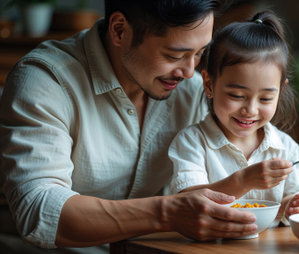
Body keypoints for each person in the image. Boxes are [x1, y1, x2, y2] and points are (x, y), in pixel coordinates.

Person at [0, 0, 259, 252]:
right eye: (174, 55)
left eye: (200, 53)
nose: (190, 72)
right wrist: (167, 212)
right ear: (119, 30)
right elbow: (38, 209)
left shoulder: (190, 91)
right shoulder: (46, 81)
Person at [168, 11, 299, 226]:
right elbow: (188, 202)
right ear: (209, 85)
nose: (250, 109)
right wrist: (244, 181)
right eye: (237, 96)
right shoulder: (192, 142)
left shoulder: (286, 148)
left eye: (266, 98)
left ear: (280, 91)